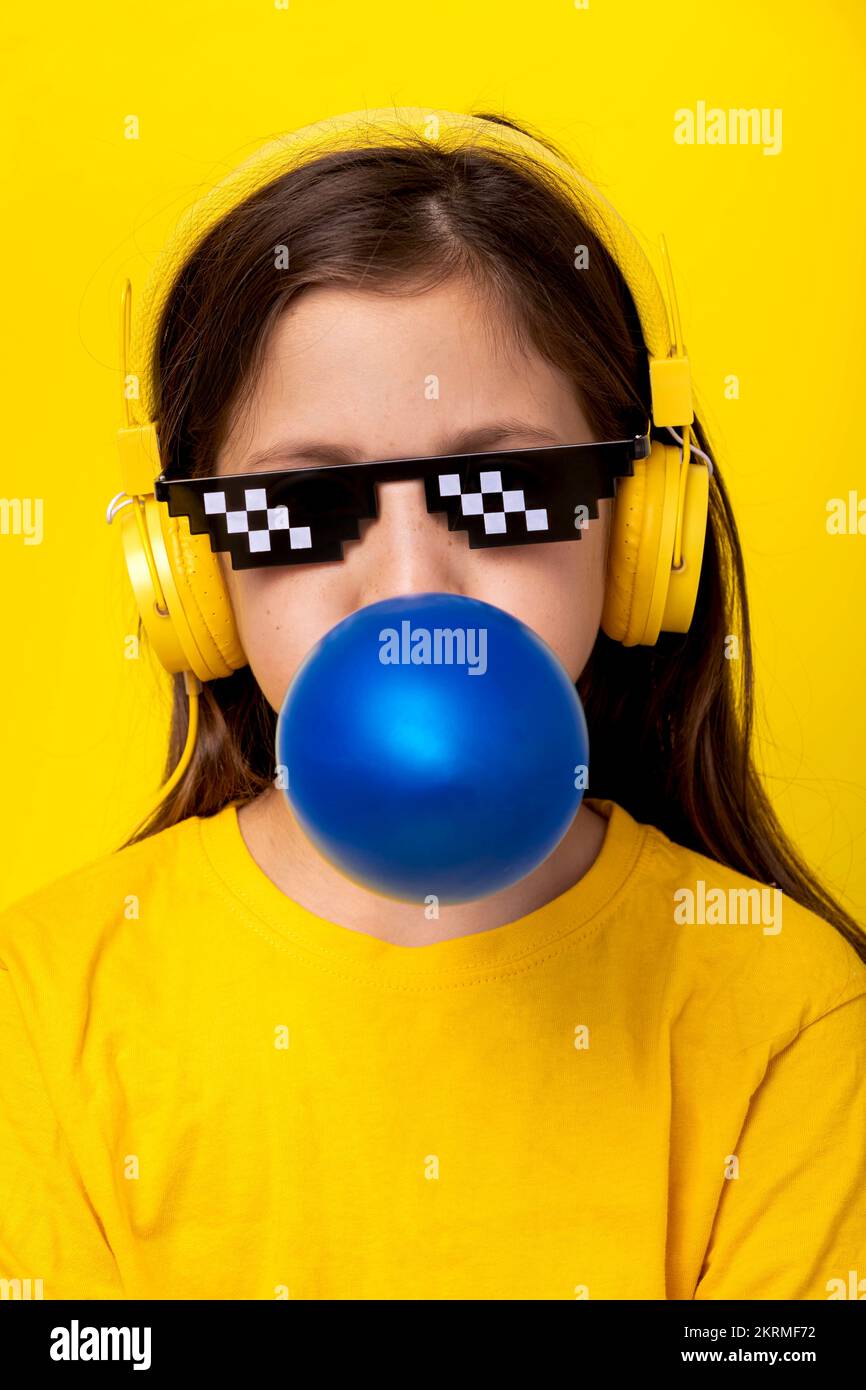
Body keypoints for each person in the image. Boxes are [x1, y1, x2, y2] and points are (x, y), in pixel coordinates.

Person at [1, 107, 864, 1302]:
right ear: (188, 576)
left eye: (504, 488)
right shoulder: (41, 1003)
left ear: (639, 529)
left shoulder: (787, 1008)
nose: (411, 585)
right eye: (301, 504)